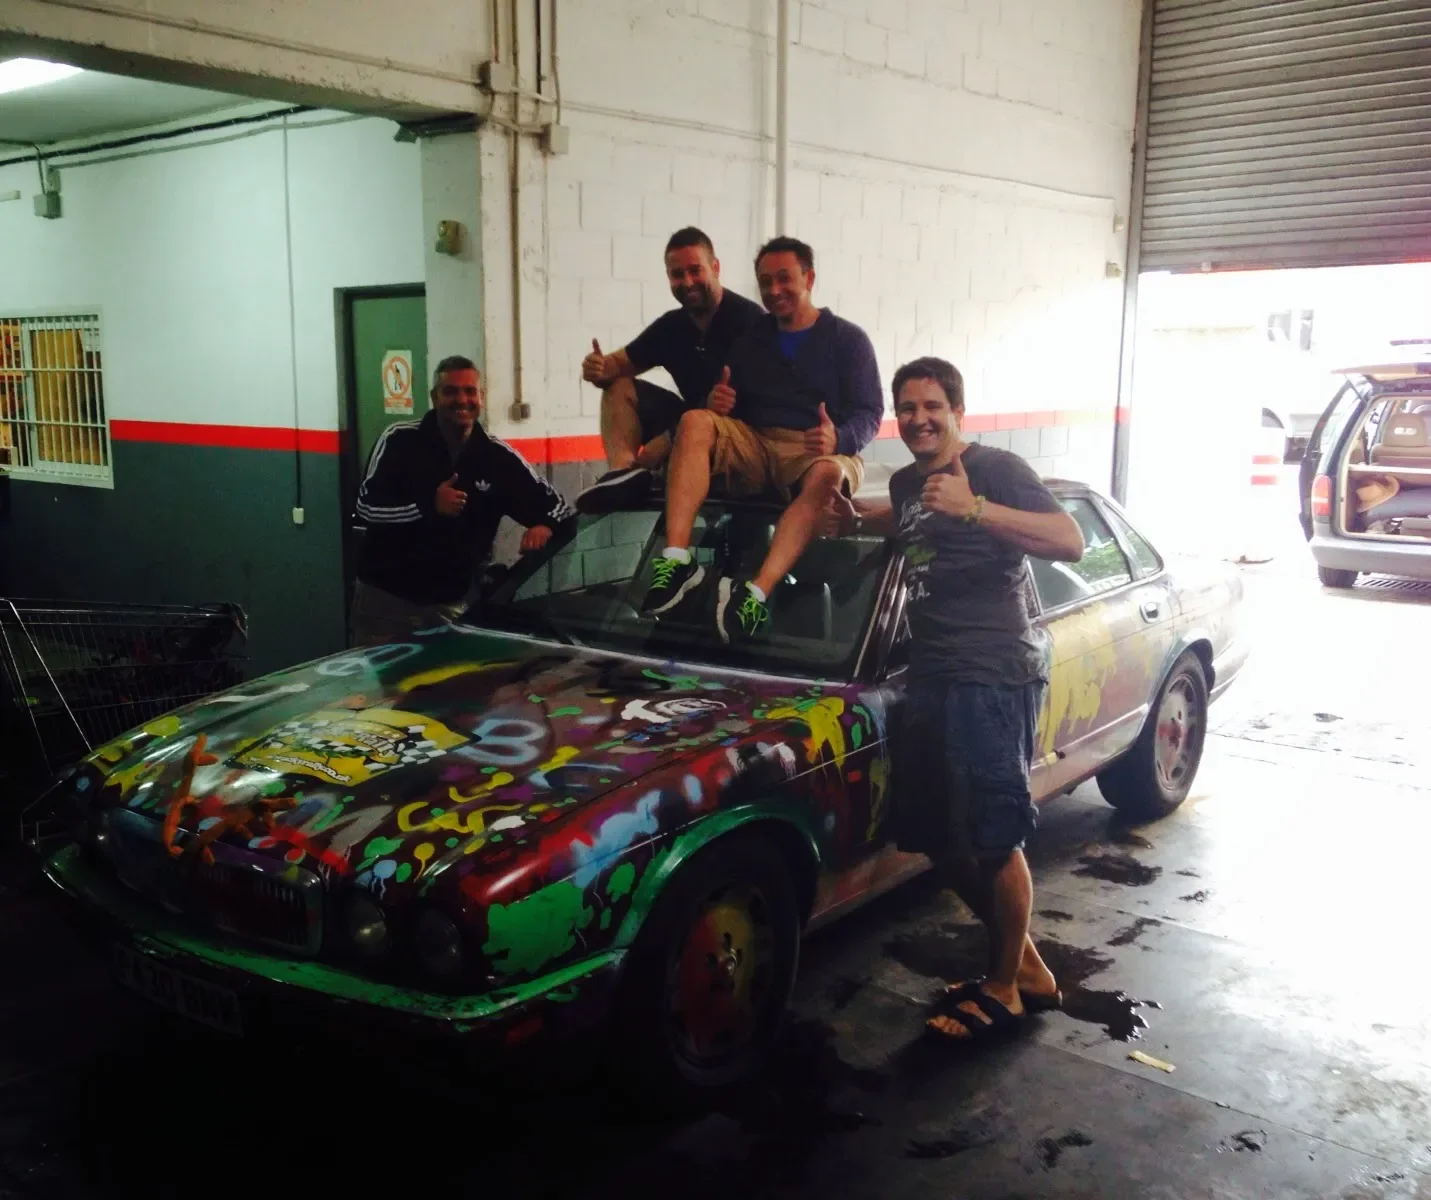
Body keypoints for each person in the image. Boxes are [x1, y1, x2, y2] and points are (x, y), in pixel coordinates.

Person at [824, 356, 1085, 1042]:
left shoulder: (994, 469)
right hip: (931, 672)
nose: (917, 419)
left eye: (930, 406)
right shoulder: (910, 481)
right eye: (905, 408)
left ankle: (1004, 989)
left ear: (956, 410)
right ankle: (1024, 967)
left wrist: (974, 506)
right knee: (939, 836)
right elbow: (912, 523)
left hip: (992, 670)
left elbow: (1069, 541)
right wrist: (848, 519)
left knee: (994, 836)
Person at [638, 236, 883, 644]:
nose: (774, 291)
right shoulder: (750, 339)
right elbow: (727, 398)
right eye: (765, 282)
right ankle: (677, 559)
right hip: (755, 442)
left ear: (809, 278)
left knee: (826, 475)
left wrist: (839, 435)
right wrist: (718, 402)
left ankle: (755, 594)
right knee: (696, 421)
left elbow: (871, 412)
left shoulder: (848, 340)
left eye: (784, 279)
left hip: (817, 449)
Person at [350, 355, 576, 646]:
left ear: (481, 397)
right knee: (382, 692)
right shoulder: (399, 441)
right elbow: (365, 508)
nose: (462, 400)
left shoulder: (497, 457)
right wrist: (427, 507)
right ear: (434, 397)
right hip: (387, 605)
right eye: (451, 391)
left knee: (451, 691)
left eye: (470, 391)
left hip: (453, 607)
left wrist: (545, 525)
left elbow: (561, 508)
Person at [576, 226, 765, 512]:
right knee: (619, 386)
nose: (687, 282)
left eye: (695, 270)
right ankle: (625, 475)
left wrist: (667, 441)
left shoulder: (750, 321)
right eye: (678, 275)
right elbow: (617, 365)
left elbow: (736, 407)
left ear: (715, 268)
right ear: (669, 278)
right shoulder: (670, 327)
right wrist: (598, 368)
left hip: (738, 441)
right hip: (689, 424)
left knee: (705, 420)